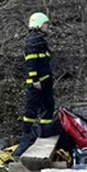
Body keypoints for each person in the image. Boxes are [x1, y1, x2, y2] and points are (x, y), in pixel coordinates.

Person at [16, 12, 56, 156]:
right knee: (32, 109)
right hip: (37, 83)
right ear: (39, 25)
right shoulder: (33, 41)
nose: (48, 27)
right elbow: (31, 63)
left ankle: (45, 132)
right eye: (46, 24)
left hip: (44, 81)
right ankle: (27, 134)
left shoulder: (39, 40)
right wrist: (35, 80)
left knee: (48, 106)